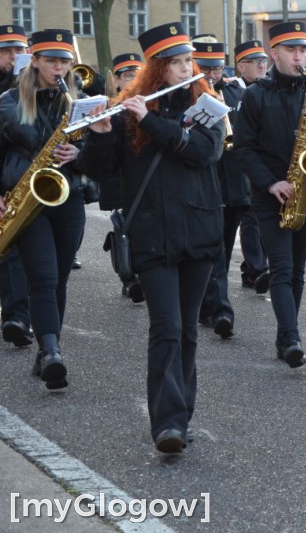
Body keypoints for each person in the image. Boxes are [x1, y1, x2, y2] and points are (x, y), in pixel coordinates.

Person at [78, 22, 225, 452]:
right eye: (175, 63)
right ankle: (168, 424)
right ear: (156, 68)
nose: (186, 70)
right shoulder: (126, 112)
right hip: (152, 234)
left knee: (188, 330)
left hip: (198, 230)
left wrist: (153, 121)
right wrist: (99, 136)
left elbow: (204, 152)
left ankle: (182, 412)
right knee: (166, 326)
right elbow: (101, 172)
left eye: (188, 62)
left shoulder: (208, 106)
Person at [233, 21, 306, 367]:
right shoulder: (255, 95)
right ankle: (291, 337)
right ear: (275, 54)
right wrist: (271, 183)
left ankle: (286, 335)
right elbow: (243, 149)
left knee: (297, 271)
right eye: (291, 50)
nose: (299, 57)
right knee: (282, 268)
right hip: (270, 196)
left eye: (303, 50)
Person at [0, 29, 85, 389]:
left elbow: (104, 158)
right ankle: (51, 351)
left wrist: (80, 153)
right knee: (44, 278)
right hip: (25, 197)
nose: (58, 68)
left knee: (60, 277)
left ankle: (48, 348)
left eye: (64, 61)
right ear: (34, 60)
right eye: (50, 60)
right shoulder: (7, 103)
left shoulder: (81, 102)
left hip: (68, 197)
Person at [193, 38, 237, 339]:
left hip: (232, 184)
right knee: (214, 250)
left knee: (224, 249)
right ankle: (221, 309)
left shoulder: (234, 92)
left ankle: (208, 305)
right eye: (205, 69)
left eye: (216, 69)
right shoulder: (187, 97)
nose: (211, 75)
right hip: (202, 184)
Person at [101, 52, 145, 303]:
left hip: (142, 176)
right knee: (124, 228)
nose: (133, 80)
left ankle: (139, 275)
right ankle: (128, 276)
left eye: (137, 74)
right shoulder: (110, 106)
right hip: (120, 179)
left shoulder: (149, 102)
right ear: (117, 79)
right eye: (128, 75)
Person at [0, 24, 32, 348]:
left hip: (21, 176)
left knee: (15, 250)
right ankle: (16, 314)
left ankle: (17, 316)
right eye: (6, 51)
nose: (13, 57)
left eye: (19, 51)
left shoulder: (32, 84)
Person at [230, 40, 271, 294]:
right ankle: (257, 269)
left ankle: (251, 269)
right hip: (239, 163)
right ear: (241, 66)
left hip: (265, 163)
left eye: (263, 61)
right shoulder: (232, 90)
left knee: (260, 217)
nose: (261, 65)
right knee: (249, 217)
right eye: (254, 61)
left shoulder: (269, 88)